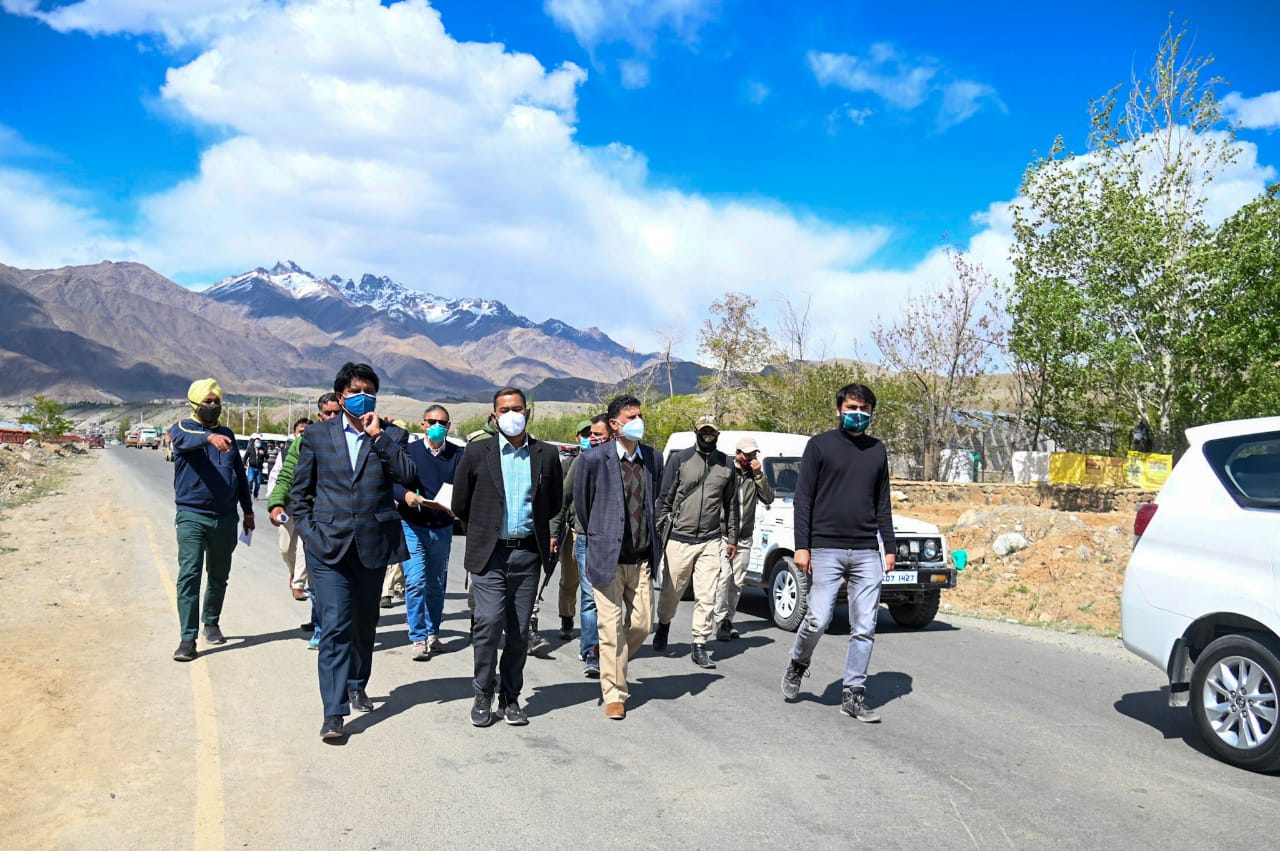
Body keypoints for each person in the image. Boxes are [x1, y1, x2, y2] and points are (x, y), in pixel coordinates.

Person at [290, 363, 416, 741]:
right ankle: (333, 712)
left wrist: (379, 438)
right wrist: (311, 534)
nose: (363, 397)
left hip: (373, 544)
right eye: (356, 390)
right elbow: (301, 494)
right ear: (341, 395)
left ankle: (357, 682)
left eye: (370, 391)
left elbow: (407, 475)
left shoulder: (391, 435)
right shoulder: (316, 435)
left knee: (364, 623)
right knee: (335, 625)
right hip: (328, 547)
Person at [780, 383, 895, 723]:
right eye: (851, 408)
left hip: (865, 551)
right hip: (825, 547)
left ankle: (853, 694)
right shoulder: (819, 446)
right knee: (817, 619)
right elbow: (804, 499)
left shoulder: (877, 450)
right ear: (839, 410)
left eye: (863, 409)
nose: (857, 414)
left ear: (872, 413)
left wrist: (889, 546)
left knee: (865, 625)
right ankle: (798, 663)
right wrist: (802, 546)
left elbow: (882, 502)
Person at [451, 387, 562, 728]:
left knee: (517, 633)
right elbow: (460, 503)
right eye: (504, 409)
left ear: (528, 412)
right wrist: (483, 527)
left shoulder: (546, 454)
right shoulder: (476, 452)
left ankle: (511, 697)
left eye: (517, 408)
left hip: (527, 553)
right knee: (487, 624)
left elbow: (554, 502)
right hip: (490, 555)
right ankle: (483, 692)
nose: (511, 414)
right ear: (494, 414)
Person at [574, 395, 662, 719]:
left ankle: (608, 655)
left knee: (642, 625)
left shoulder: (653, 458)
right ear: (614, 424)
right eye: (631, 416)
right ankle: (614, 692)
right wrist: (601, 536)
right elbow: (583, 506)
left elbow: (655, 502)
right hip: (607, 557)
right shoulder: (594, 460)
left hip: (640, 560)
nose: (638, 421)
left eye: (640, 415)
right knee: (611, 628)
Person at [168, 378, 254, 662]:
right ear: (194, 403)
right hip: (192, 515)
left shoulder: (227, 433)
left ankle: (212, 621)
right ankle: (187, 638)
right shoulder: (182, 428)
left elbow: (239, 475)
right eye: (207, 401)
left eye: (216, 401)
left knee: (218, 575)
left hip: (226, 518)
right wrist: (207, 437)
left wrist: (248, 510)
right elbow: (182, 441)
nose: (213, 405)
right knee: (190, 574)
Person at [654, 415, 739, 669]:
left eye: (712, 431)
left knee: (707, 595)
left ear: (718, 434)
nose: (707, 435)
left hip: (710, 540)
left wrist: (732, 537)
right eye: (704, 431)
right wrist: (660, 531)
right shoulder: (680, 460)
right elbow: (664, 498)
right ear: (696, 431)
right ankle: (664, 625)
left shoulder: (727, 465)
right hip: (679, 538)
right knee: (672, 592)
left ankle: (699, 644)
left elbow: (731, 504)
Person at [268, 392, 342, 649]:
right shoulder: (307, 441)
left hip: (345, 520)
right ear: (320, 416)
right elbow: (287, 475)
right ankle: (321, 626)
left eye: (337, 412)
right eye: (328, 413)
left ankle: (334, 628)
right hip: (315, 518)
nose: (332, 417)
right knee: (312, 571)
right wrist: (277, 503)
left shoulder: (354, 439)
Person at [393, 404, 462, 661]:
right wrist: (406, 495)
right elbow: (393, 483)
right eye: (432, 421)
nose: (436, 426)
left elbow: (465, 485)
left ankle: (433, 632)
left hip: (442, 527)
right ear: (422, 424)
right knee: (415, 581)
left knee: (436, 583)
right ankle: (418, 636)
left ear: (448, 426)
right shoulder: (408, 452)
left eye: (442, 423)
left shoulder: (457, 455)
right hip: (412, 525)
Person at [550, 415, 613, 676]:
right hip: (582, 535)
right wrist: (553, 532)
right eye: (589, 434)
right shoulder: (579, 462)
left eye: (599, 434)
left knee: (606, 596)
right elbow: (562, 498)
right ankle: (590, 649)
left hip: (612, 539)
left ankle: (607, 643)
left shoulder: (621, 463)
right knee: (585, 592)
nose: (593, 439)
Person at [714, 436, 775, 641]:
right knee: (723, 579)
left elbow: (768, 498)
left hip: (745, 536)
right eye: (746, 455)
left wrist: (759, 475)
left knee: (737, 582)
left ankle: (728, 620)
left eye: (753, 455)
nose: (750, 458)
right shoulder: (727, 471)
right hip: (723, 534)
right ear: (738, 454)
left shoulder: (754, 475)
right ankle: (720, 619)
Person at [267, 417, 313, 602]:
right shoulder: (286, 453)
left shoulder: (317, 450)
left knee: (304, 545)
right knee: (285, 548)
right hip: (287, 507)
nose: (304, 435)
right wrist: (276, 502)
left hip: (307, 508)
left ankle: (298, 584)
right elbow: (277, 476)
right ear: (295, 433)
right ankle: (294, 573)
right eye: (301, 432)